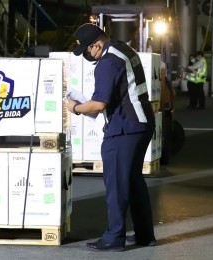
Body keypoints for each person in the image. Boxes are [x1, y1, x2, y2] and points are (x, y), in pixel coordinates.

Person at [69, 23, 156, 252]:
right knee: (133, 181)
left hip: (125, 128)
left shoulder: (107, 63)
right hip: (141, 124)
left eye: (88, 50)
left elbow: (98, 104)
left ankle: (113, 238)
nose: (87, 54)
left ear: (97, 45)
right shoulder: (123, 49)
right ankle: (145, 235)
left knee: (116, 184)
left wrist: (75, 108)